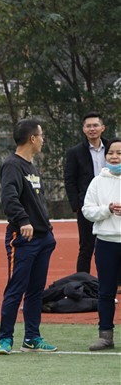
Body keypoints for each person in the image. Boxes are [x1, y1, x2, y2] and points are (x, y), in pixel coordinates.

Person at [0, 118, 57, 354]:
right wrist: (23, 221)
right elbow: (9, 198)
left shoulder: (32, 167)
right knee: (16, 288)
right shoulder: (12, 165)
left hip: (43, 238)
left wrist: (46, 227)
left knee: (35, 290)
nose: (43, 140)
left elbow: (37, 202)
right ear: (32, 138)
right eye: (41, 135)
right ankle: (5, 339)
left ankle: (32, 337)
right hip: (23, 239)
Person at [81, 137, 121, 351]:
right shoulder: (97, 181)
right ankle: (106, 336)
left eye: (119, 153)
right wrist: (107, 209)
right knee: (105, 291)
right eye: (111, 153)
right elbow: (87, 210)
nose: (114, 157)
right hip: (106, 243)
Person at [64, 113, 107, 274]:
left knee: (113, 245)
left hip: (110, 204)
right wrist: (77, 206)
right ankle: (82, 282)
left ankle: (115, 282)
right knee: (86, 248)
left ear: (102, 128)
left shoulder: (112, 148)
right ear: (83, 129)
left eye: (95, 125)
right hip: (87, 206)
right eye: (88, 126)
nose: (92, 129)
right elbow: (70, 180)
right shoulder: (75, 152)